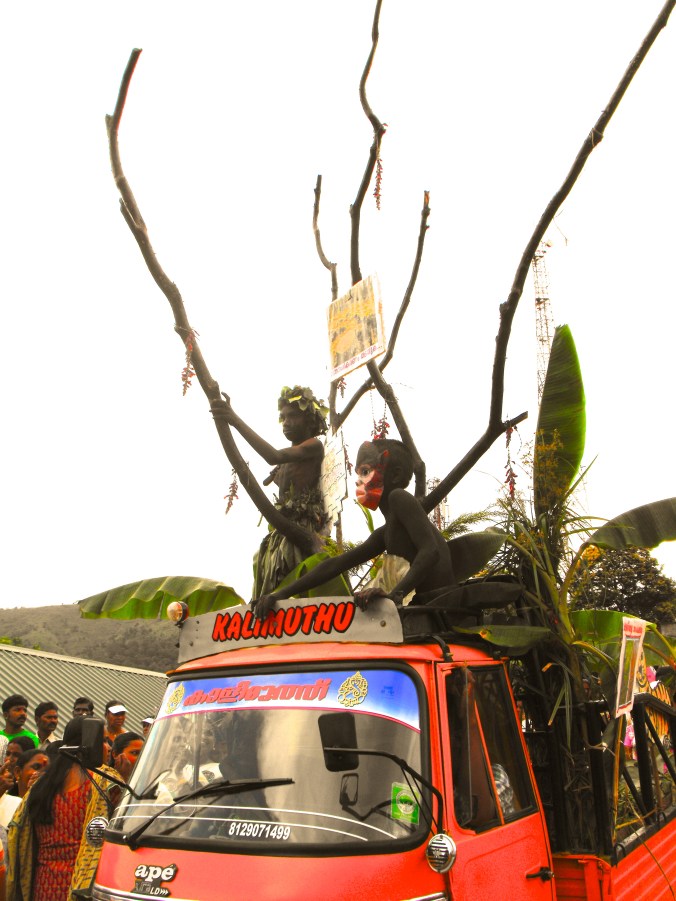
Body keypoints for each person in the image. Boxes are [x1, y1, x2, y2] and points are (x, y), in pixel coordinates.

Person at [253, 438, 456, 618]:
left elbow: (430, 551)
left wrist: (394, 596)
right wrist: (280, 593)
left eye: (366, 472)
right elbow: (336, 564)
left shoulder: (399, 498)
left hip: (438, 611)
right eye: (358, 473)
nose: (359, 481)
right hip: (427, 611)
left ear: (394, 475)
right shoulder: (386, 533)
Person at [211, 386, 330, 597]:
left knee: (298, 592)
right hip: (281, 533)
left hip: (302, 531)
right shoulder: (288, 460)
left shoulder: (314, 446)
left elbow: (272, 455)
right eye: (283, 417)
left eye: (293, 416)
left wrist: (234, 420)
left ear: (310, 421)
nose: (286, 422)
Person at [6, 717, 117, 901]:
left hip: (42, 888)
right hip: (78, 890)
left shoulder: (42, 783)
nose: (108, 747)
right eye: (103, 741)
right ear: (89, 743)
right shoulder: (104, 782)